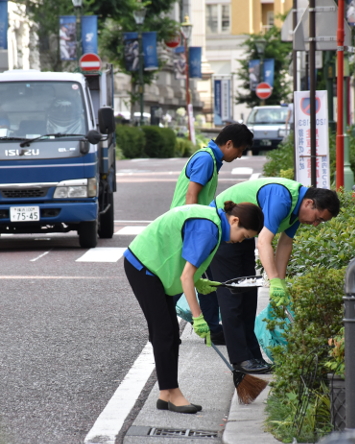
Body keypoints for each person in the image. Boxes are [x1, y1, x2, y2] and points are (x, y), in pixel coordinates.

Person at [124, 201, 264, 414]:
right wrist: (199, 318)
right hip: (144, 266)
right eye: (244, 236)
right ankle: (173, 393)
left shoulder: (215, 224)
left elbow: (189, 261)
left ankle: (165, 394)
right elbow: (186, 276)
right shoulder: (209, 229)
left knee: (169, 333)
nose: (240, 241)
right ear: (234, 221)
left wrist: (200, 282)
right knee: (165, 333)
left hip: (156, 267)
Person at [210, 178, 341, 374]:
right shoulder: (283, 199)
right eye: (318, 218)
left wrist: (280, 282)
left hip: (243, 232)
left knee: (248, 295)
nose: (315, 224)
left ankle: (253, 356)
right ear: (309, 203)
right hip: (222, 230)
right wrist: (274, 280)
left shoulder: (297, 210)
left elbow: (285, 243)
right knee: (233, 298)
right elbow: (264, 242)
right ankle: (240, 359)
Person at [170, 123, 254, 345]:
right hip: (187, 225)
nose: (239, 155)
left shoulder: (212, 159)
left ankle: (210, 329)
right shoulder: (206, 159)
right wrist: (194, 232)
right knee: (186, 276)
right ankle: (166, 325)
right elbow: (191, 196)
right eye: (240, 150)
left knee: (201, 276)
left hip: (191, 224)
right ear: (228, 144)